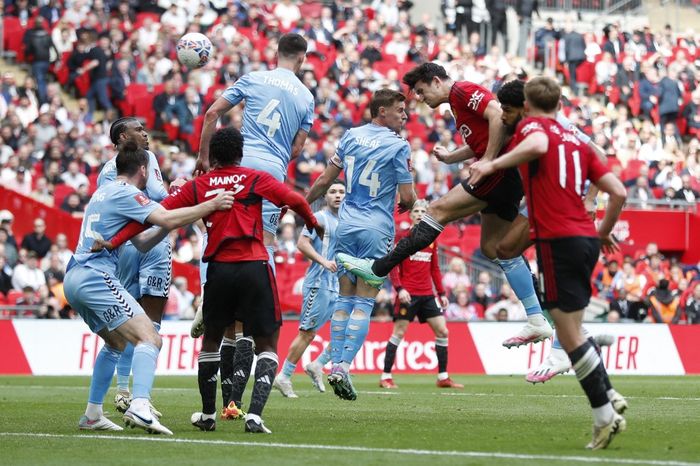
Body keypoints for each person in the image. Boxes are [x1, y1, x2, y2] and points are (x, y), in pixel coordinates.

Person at [106, 127, 321, 434]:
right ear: (240, 153)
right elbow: (296, 200)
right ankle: (254, 416)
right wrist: (313, 223)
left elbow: (152, 216)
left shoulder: (199, 185)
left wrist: (114, 241)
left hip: (218, 270)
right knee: (267, 343)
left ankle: (208, 415)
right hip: (253, 266)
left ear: (213, 156)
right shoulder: (254, 178)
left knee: (211, 341)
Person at [340, 63, 552, 349]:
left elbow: (497, 118)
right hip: (506, 176)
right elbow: (482, 138)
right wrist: (453, 157)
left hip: (500, 173)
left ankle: (378, 268)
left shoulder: (463, 91)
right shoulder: (456, 103)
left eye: (421, 90)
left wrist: (488, 162)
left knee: (436, 211)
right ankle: (536, 318)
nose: (420, 98)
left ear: (436, 81)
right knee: (496, 248)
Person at [467, 76, 627, 450]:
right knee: (571, 329)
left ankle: (604, 414)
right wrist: (602, 230)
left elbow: (537, 143)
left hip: (557, 238)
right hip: (586, 238)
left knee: (569, 337)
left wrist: (491, 165)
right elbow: (618, 191)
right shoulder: (576, 138)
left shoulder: (534, 128)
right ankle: (609, 394)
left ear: (527, 105)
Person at [65, 139, 233, 435]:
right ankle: (140, 405)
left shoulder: (102, 192)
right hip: (95, 276)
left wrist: (168, 226)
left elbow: (142, 242)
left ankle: (92, 414)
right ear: (143, 169)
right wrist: (210, 204)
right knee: (151, 338)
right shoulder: (126, 192)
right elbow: (166, 215)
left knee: (116, 343)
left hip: (74, 277)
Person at [192, 33, 314, 402]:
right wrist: (277, 162)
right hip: (270, 172)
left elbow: (213, 112)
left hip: (239, 163)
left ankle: (206, 292)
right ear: (303, 60)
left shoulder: (254, 78)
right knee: (264, 244)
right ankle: (258, 303)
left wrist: (204, 157)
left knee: (215, 228)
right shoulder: (306, 97)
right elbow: (298, 146)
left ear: (276, 53)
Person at [493, 78, 616, 384]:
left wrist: (590, 200)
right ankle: (566, 339)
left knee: (548, 271)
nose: (501, 116)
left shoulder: (546, 125)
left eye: (505, 109)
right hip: (550, 203)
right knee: (511, 253)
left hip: (560, 204)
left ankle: (560, 340)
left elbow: (597, 153)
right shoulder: (533, 123)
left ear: (525, 106)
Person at [306, 88, 416, 401]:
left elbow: (325, 181)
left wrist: (301, 204)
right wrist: (409, 204)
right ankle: (341, 366)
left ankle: (335, 365)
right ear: (382, 112)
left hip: (346, 227)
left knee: (344, 298)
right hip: (376, 229)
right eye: (399, 110)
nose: (404, 115)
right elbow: (407, 197)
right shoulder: (398, 145)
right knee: (364, 301)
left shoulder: (350, 137)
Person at [96, 117, 171, 418]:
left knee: (128, 318)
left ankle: (123, 390)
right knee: (150, 320)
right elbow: (160, 196)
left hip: (121, 246)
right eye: (139, 129)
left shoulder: (104, 172)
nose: (146, 132)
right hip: (151, 241)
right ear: (124, 136)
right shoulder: (147, 158)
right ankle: (142, 397)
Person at [380, 200, 463, 389]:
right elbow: (393, 266)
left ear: (427, 215)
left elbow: (434, 269)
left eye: (422, 211)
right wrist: (399, 289)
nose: (419, 214)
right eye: (415, 211)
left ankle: (443, 377)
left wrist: (441, 293)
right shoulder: (403, 237)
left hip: (427, 294)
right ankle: (385, 376)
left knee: (442, 331)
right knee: (399, 333)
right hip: (407, 294)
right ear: (410, 215)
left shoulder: (432, 239)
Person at [273, 181, 346, 398]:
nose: (338, 195)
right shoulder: (320, 218)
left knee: (345, 329)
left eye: (342, 192)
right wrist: (323, 261)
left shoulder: (345, 221)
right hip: (319, 282)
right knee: (307, 333)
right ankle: (284, 376)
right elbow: (302, 244)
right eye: (333, 192)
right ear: (325, 197)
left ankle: (318, 364)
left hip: (338, 285)